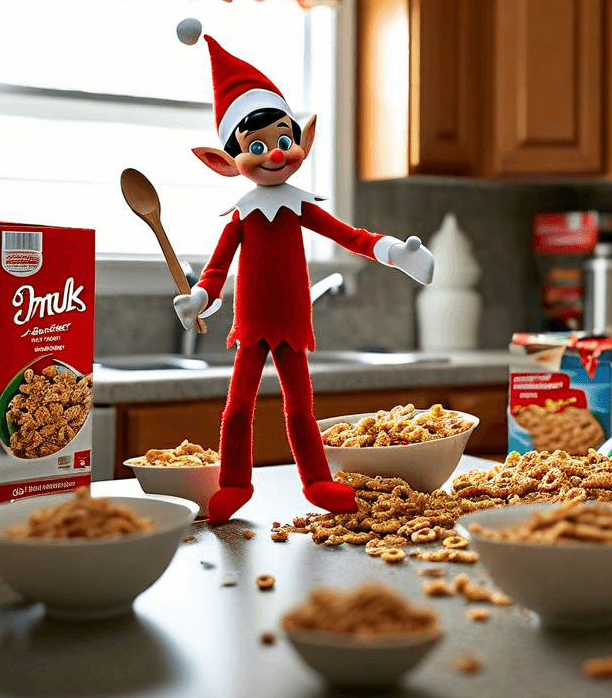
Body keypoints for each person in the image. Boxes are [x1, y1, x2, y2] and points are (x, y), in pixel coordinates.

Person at [172, 31, 434, 523]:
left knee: (299, 409)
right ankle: (234, 484)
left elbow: (350, 236)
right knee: (235, 411)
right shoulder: (242, 215)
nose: (275, 154)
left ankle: (315, 482)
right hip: (250, 327)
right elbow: (216, 268)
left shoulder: (299, 208)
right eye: (257, 146)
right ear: (226, 162)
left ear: (303, 140)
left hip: (293, 323)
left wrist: (397, 252)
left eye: (284, 140)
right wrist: (199, 299)